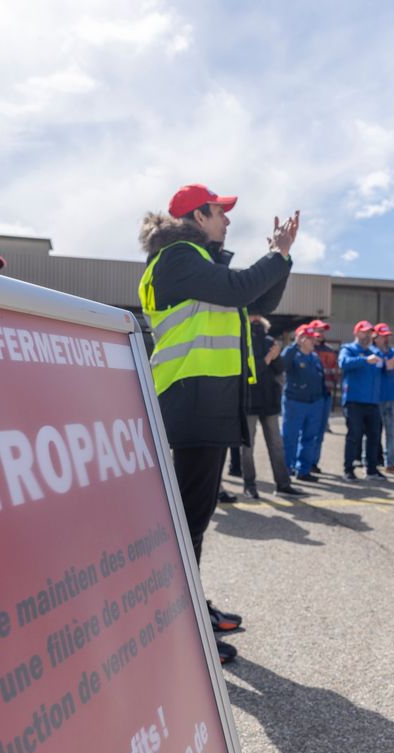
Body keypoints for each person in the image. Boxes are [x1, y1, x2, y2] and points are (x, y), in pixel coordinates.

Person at [138, 184, 298, 664]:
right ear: (197, 215)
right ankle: (177, 621)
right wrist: (274, 253)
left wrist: (281, 259)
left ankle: (188, 606)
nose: (227, 221)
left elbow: (257, 303)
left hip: (205, 398)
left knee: (197, 513)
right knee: (188, 518)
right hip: (193, 396)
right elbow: (239, 290)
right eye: (220, 213)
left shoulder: (196, 262)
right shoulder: (177, 257)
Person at [238, 316, 302, 500]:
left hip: (269, 403)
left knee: (276, 445)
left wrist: (276, 356)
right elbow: (251, 372)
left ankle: (283, 484)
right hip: (249, 403)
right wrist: (268, 357)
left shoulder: (269, 341)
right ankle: (249, 485)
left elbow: (279, 368)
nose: (257, 325)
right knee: (248, 447)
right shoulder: (242, 342)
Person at [339, 321, 387, 482]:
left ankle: (371, 469)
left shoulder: (376, 352)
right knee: (354, 436)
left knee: (374, 436)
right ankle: (348, 469)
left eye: (369, 333)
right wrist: (365, 360)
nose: (367, 335)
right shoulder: (349, 349)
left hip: (373, 402)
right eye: (364, 332)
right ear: (356, 333)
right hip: (354, 401)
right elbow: (343, 363)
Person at [280, 324, 326, 484]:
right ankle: (286, 470)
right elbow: (282, 366)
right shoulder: (292, 353)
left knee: (310, 437)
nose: (314, 341)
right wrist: (295, 345)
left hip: (314, 403)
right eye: (310, 338)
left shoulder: (314, 357)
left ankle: (303, 470)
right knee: (289, 438)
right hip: (295, 402)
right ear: (302, 338)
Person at [372, 323, 394, 472]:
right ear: (375, 337)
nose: (386, 339)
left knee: (391, 432)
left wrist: (392, 368)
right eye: (383, 336)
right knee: (373, 432)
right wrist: (386, 367)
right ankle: (370, 462)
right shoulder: (372, 353)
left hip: (392, 398)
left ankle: (390, 463)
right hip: (375, 398)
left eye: (388, 336)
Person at [312, 320, 339, 471]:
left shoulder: (329, 351)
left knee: (319, 432)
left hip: (325, 395)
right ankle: (301, 463)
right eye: (318, 330)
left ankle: (314, 462)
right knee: (307, 432)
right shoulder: (305, 349)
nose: (320, 334)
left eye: (322, 331)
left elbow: (335, 374)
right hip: (309, 397)